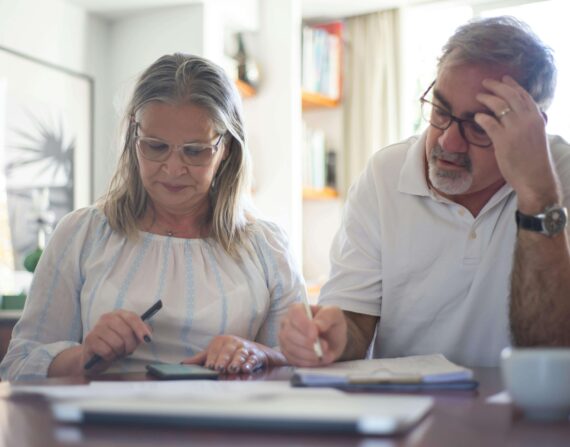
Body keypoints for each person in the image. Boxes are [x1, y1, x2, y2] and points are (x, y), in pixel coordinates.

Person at [279, 16, 570, 368]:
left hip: (525, 410)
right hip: (406, 408)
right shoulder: (384, 174)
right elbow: (354, 322)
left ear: (530, 126)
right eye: (440, 111)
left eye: (479, 125)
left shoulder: (559, 173)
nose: (448, 140)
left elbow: (552, 349)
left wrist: (538, 195)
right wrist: (335, 337)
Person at [0, 53, 302, 381]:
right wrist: (86, 355)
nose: (173, 169)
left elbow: (302, 366)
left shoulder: (267, 247)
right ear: (134, 137)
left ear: (225, 148)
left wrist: (260, 354)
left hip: (226, 429)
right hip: (105, 429)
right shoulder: (81, 234)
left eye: (195, 151)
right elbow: (18, 364)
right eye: (156, 147)